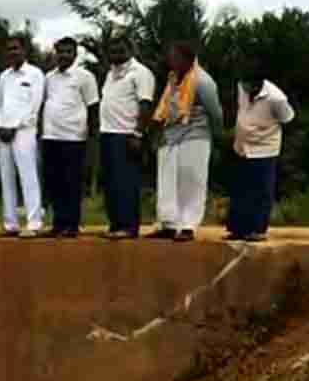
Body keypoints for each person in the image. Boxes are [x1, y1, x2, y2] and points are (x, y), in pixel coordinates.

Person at [151, 41, 223, 242]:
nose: (171, 60)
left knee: (191, 180)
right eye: (170, 56)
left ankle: (188, 226)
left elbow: (215, 113)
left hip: (195, 135)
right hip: (171, 135)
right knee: (167, 182)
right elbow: (165, 109)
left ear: (188, 59)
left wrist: (217, 138)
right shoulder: (173, 79)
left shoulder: (203, 81)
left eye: (175, 57)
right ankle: (169, 224)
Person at [226, 69, 295, 242]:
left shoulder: (276, 98)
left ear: (259, 83)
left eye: (250, 83)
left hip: (264, 148)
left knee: (261, 190)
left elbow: (287, 117)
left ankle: (257, 229)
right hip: (242, 145)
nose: (245, 86)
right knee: (241, 189)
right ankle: (238, 229)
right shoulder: (241, 87)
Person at [41, 36, 100, 238]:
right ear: (55, 53)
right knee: (54, 182)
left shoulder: (85, 77)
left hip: (74, 137)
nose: (64, 55)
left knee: (71, 183)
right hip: (50, 137)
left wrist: (92, 136)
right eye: (60, 52)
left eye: (68, 52)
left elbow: (93, 107)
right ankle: (58, 223)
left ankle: (71, 225)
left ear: (75, 54)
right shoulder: (49, 77)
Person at [99, 36, 156, 240]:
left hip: (127, 135)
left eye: (120, 50)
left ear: (130, 50)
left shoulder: (140, 73)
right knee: (111, 184)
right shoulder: (110, 73)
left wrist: (138, 134)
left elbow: (145, 104)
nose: (115, 54)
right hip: (108, 133)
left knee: (126, 183)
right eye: (112, 50)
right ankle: (116, 224)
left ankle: (128, 227)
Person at [0, 35, 45, 238]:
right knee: (6, 178)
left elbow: (34, 106)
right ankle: (10, 223)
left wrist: (14, 127)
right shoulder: (4, 76)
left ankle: (33, 223)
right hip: (3, 132)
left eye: (16, 48)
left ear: (24, 50)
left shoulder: (35, 74)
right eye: (9, 49)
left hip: (24, 131)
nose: (12, 52)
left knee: (28, 176)